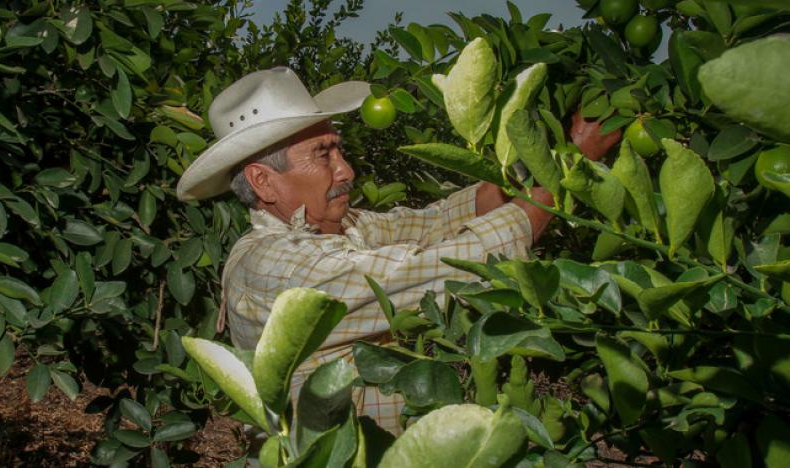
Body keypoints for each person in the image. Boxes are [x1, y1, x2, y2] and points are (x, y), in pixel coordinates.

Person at [176, 67, 620, 435]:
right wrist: (568, 169)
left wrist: (549, 154)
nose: (346, 170)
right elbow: (437, 271)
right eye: (323, 155)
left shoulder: (338, 228)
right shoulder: (272, 265)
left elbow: (437, 221)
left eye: (338, 150)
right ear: (263, 181)